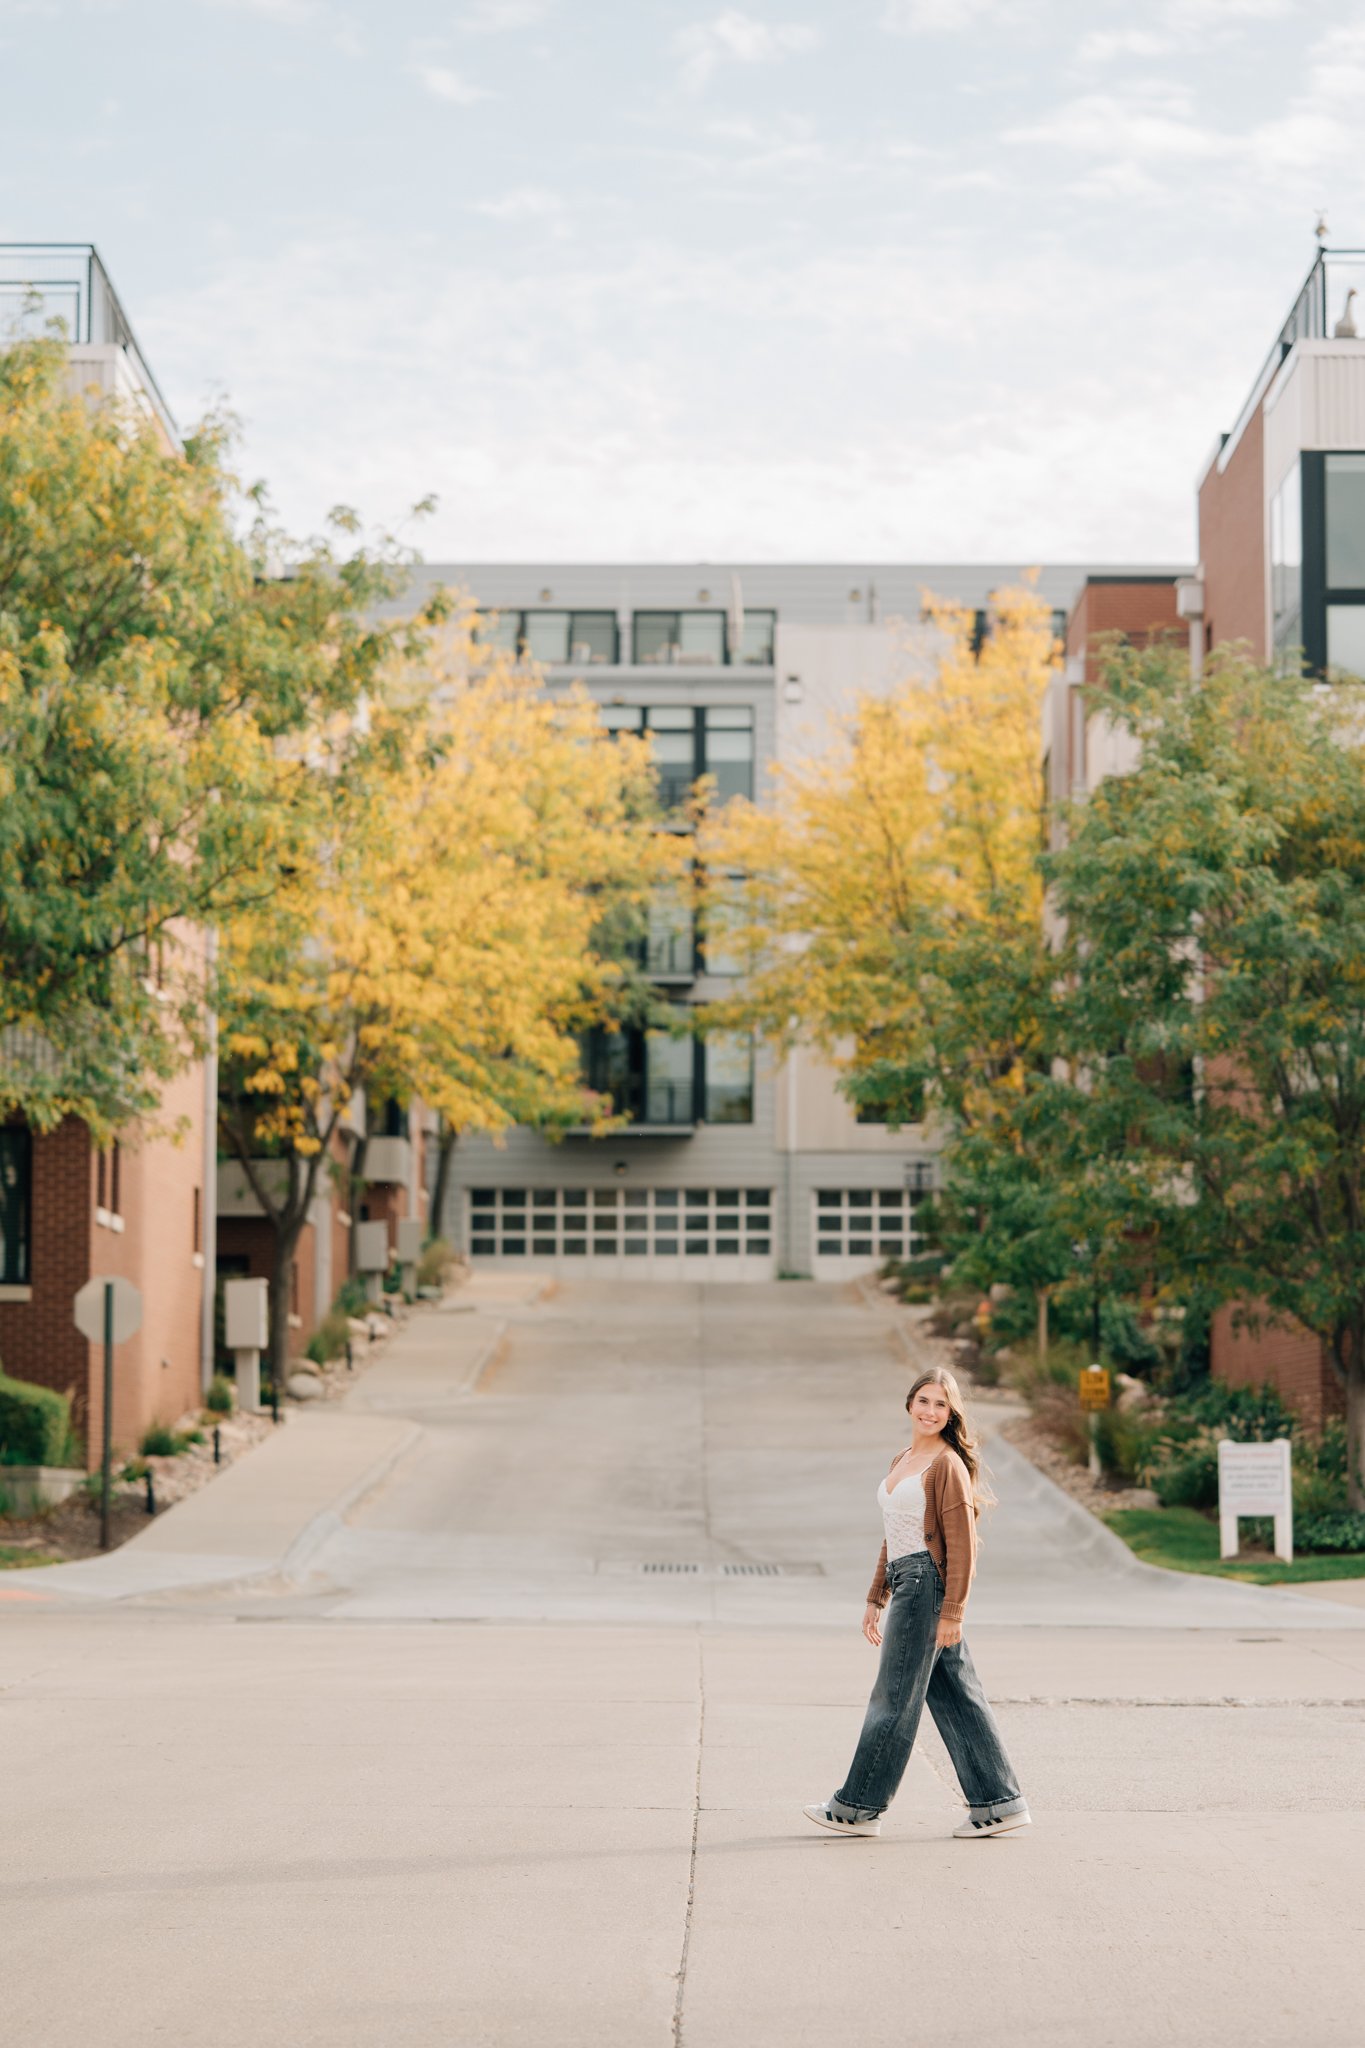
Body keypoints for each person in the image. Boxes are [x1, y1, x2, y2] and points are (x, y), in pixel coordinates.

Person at [803, 1365, 1030, 1841]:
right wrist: (875, 1596)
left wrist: (953, 1612)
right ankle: (999, 1803)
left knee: (894, 1698)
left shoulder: (945, 1465)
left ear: (951, 1414)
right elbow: (893, 1535)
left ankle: (858, 1808)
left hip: (929, 1586)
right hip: (906, 1581)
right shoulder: (903, 1458)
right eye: (924, 1401)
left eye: (941, 1404)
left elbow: (962, 1545)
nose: (930, 1411)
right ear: (909, 1404)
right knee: (956, 1695)